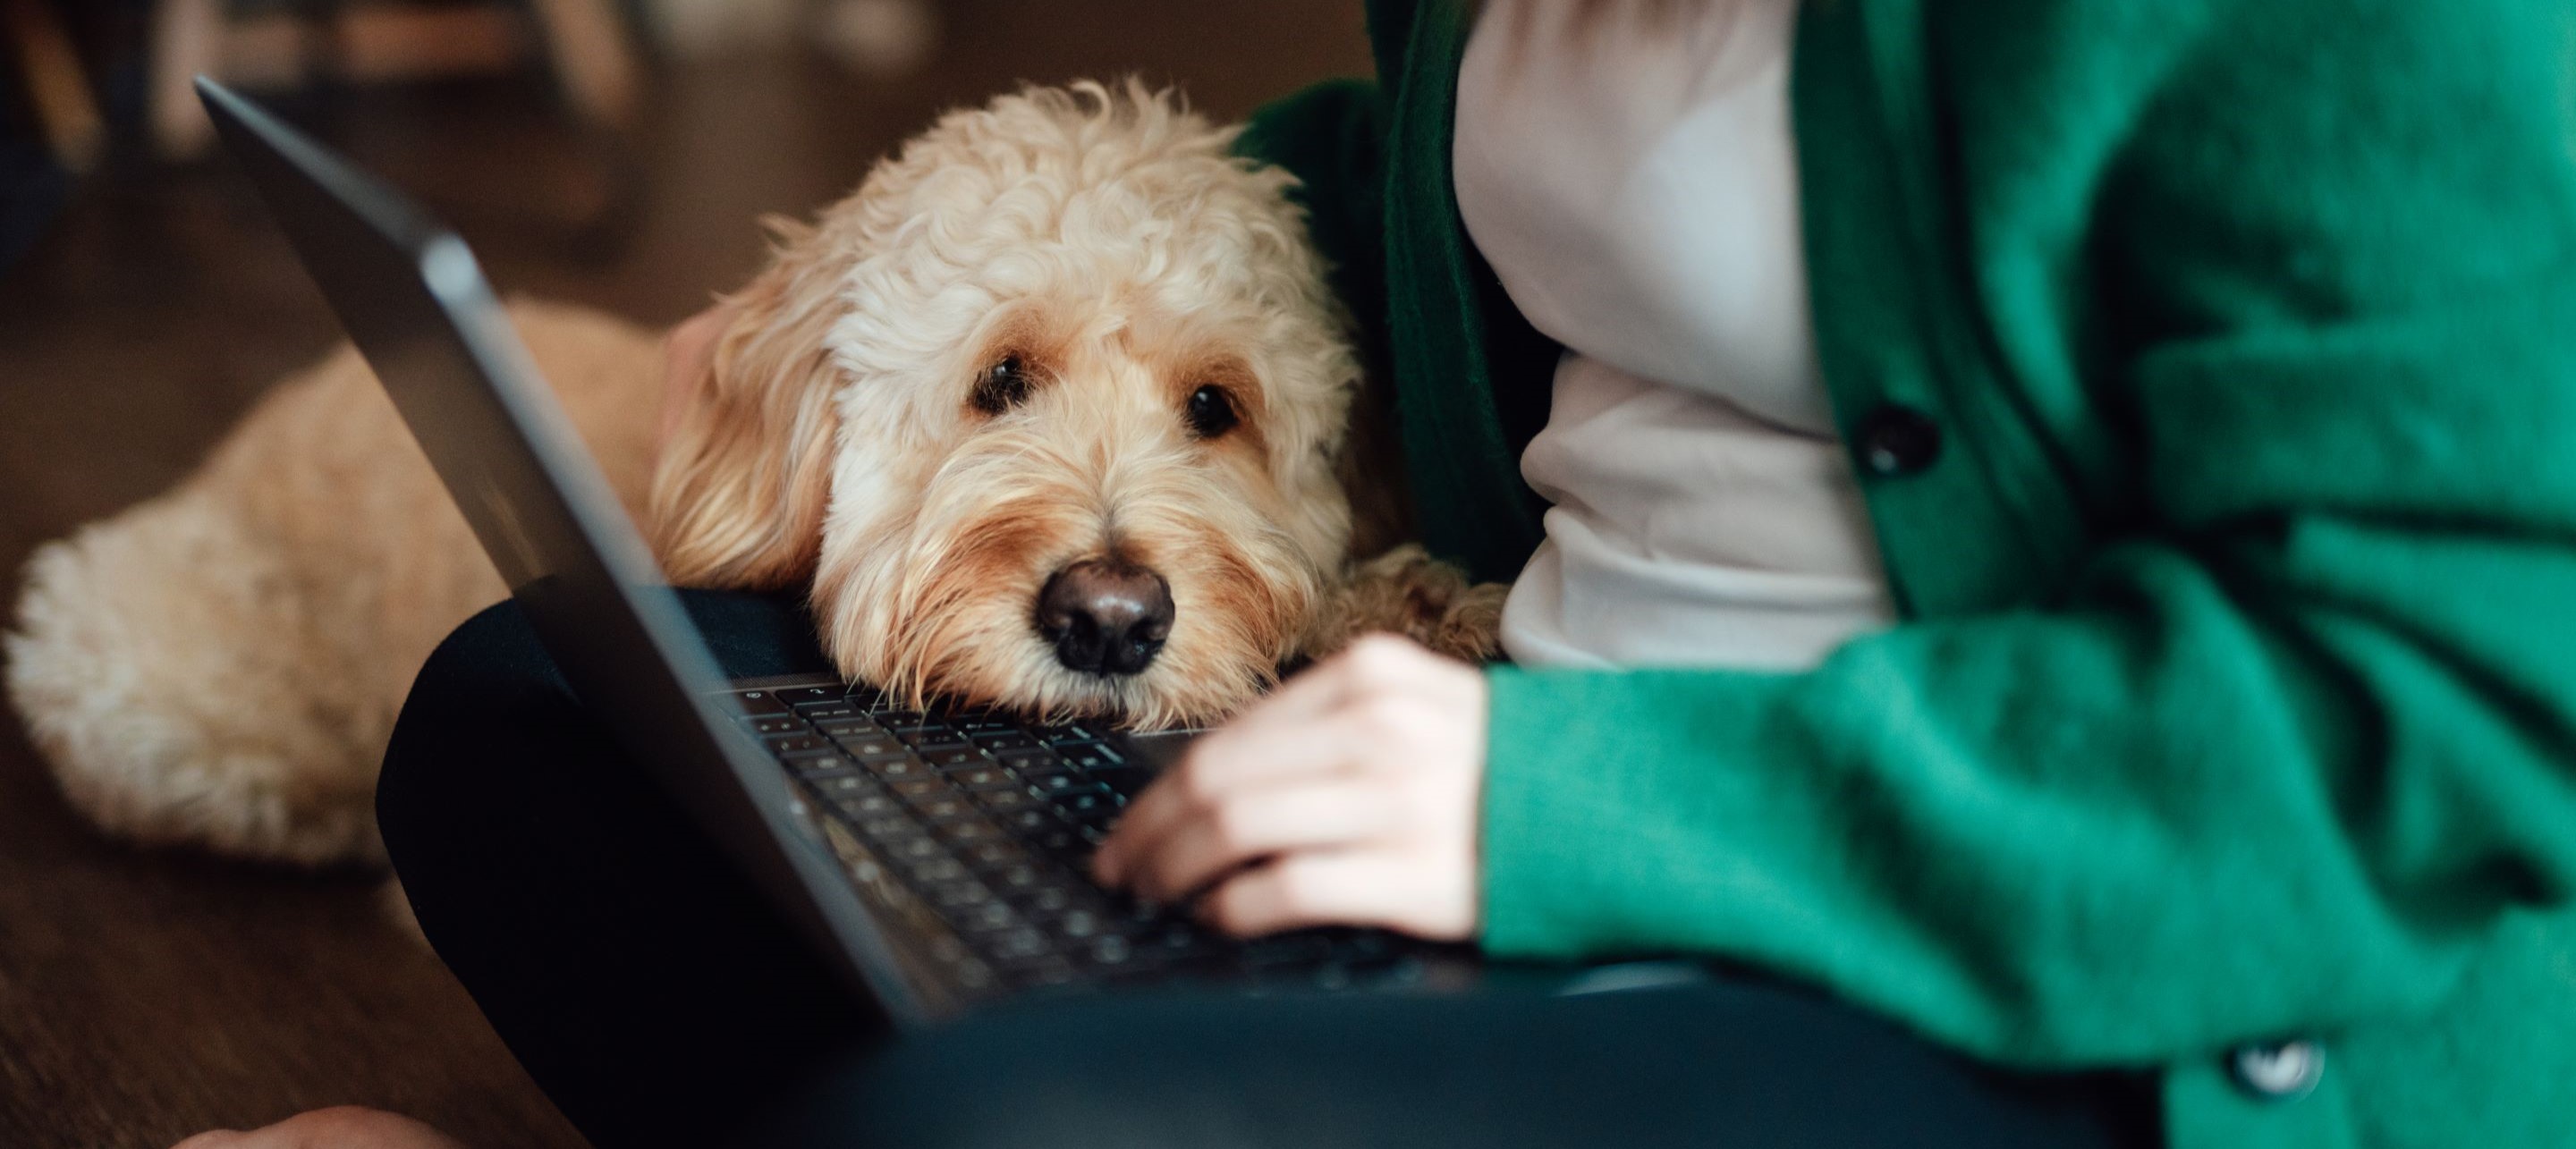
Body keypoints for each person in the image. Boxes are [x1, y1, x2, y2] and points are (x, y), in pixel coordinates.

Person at [197, 0, 2576, 1145]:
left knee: (961, 1139)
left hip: (2050, 974)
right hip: (1504, 782)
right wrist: (914, 290)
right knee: (528, 721)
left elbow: (2443, 705)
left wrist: (1558, 812)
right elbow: (1446, 221)